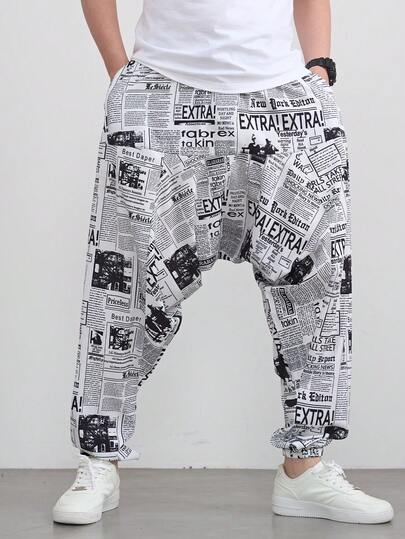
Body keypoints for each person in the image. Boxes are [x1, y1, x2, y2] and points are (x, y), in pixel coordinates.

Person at [53, 0, 394, 526]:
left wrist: (319, 69)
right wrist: (120, 73)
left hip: (283, 97)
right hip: (163, 87)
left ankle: (305, 467)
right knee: (126, 282)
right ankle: (99, 460)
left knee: (316, 286)